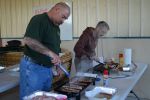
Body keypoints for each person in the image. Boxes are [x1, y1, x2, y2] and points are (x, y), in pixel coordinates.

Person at [19, 2, 70, 99]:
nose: (63, 21)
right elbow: (29, 40)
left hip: (47, 69)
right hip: (33, 68)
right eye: (63, 17)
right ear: (56, 9)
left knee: (44, 96)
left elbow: (55, 47)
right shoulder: (38, 20)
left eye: (65, 19)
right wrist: (50, 53)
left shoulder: (56, 28)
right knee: (31, 97)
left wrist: (58, 64)